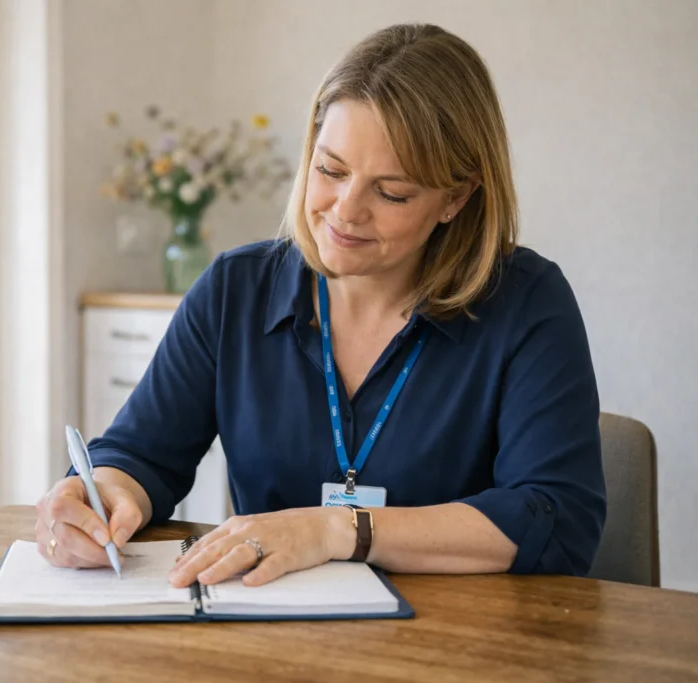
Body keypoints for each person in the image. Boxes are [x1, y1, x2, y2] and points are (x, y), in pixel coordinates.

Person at [35, 23, 606, 588]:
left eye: (392, 192)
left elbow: (556, 518)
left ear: (455, 198)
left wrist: (338, 530)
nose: (345, 211)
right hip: (267, 640)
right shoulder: (236, 290)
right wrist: (101, 493)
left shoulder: (528, 302)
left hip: (456, 653)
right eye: (330, 170)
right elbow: (141, 453)